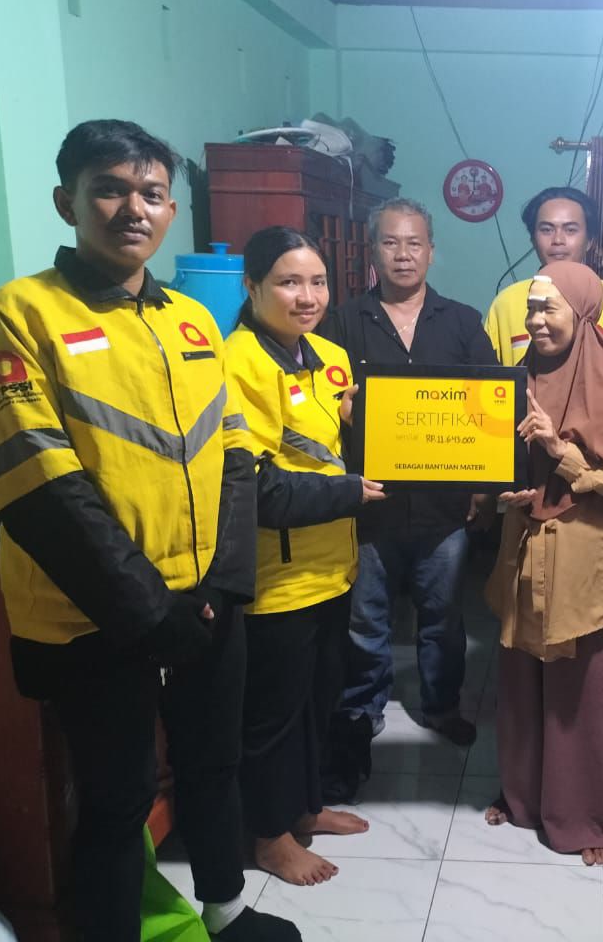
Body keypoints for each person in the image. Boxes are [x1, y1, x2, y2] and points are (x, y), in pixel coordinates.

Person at [0, 120, 298, 941]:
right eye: (108, 189)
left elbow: (235, 457)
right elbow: (41, 490)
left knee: (214, 765)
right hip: (93, 616)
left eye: (150, 193)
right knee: (117, 798)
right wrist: (150, 611)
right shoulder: (17, 317)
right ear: (66, 201)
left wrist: (225, 583)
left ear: (171, 210)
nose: (132, 208)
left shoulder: (191, 321)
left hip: (206, 600)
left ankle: (225, 911)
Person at [318, 198, 498, 799]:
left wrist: (483, 485)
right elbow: (320, 402)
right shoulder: (343, 322)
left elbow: (490, 406)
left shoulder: (462, 321)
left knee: (442, 616)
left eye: (414, 242)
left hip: (444, 507)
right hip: (370, 503)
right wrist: (342, 414)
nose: (403, 254)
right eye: (391, 242)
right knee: (366, 618)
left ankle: (441, 704)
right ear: (373, 250)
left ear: (431, 250)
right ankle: (361, 709)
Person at [224, 226, 387, 885]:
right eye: (289, 282)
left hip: (334, 567)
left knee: (320, 701)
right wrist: (350, 490)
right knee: (275, 715)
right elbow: (257, 487)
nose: (308, 296)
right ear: (252, 286)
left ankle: (305, 808)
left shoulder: (331, 356)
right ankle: (269, 836)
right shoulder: (236, 364)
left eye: (317, 281)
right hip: (279, 577)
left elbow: (342, 446)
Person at [483, 262, 603, 866]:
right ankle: (522, 797)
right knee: (519, 681)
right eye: (532, 308)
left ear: (582, 313)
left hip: (581, 552)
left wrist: (562, 453)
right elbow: (497, 459)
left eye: (549, 308)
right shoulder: (518, 376)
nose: (536, 320)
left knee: (577, 692)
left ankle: (583, 815)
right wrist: (505, 490)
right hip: (523, 545)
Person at [484, 187, 603, 364]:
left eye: (570, 230)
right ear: (533, 240)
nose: (558, 240)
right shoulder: (505, 304)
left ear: (590, 241)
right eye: (547, 230)